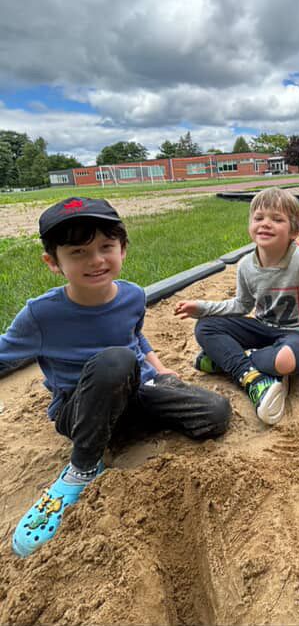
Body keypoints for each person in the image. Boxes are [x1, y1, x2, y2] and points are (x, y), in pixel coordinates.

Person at [0, 197, 231, 558]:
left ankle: (124, 427)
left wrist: (159, 368)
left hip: (133, 393)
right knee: (116, 361)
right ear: (53, 262)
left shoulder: (132, 296)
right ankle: (82, 468)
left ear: (122, 248)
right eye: (78, 252)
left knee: (215, 412)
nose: (96, 260)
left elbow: (135, 337)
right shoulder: (40, 316)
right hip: (79, 411)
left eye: (106, 247)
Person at [175, 187, 299, 426]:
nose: (266, 224)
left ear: (294, 231)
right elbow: (242, 305)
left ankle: (230, 360)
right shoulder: (246, 265)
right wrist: (202, 308)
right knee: (205, 327)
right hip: (263, 328)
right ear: (250, 226)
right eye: (259, 218)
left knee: (285, 361)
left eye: (277, 219)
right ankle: (252, 377)